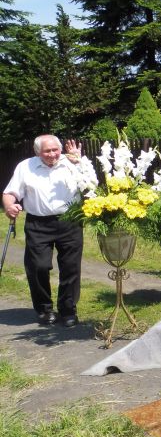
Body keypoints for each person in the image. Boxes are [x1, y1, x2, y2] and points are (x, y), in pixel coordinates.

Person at [2, 135, 84, 327]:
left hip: (70, 221)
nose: (52, 154)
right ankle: (44, 309)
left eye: (56, 150)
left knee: (71, 267)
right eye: (47, 151)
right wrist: (9, 206)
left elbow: (91, 184)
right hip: (38, 224)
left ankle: (68, 309)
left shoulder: (72, 163)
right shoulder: (25, 167)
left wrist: (80, 163)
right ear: (37, 152)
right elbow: (10, 193)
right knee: (37, 266)